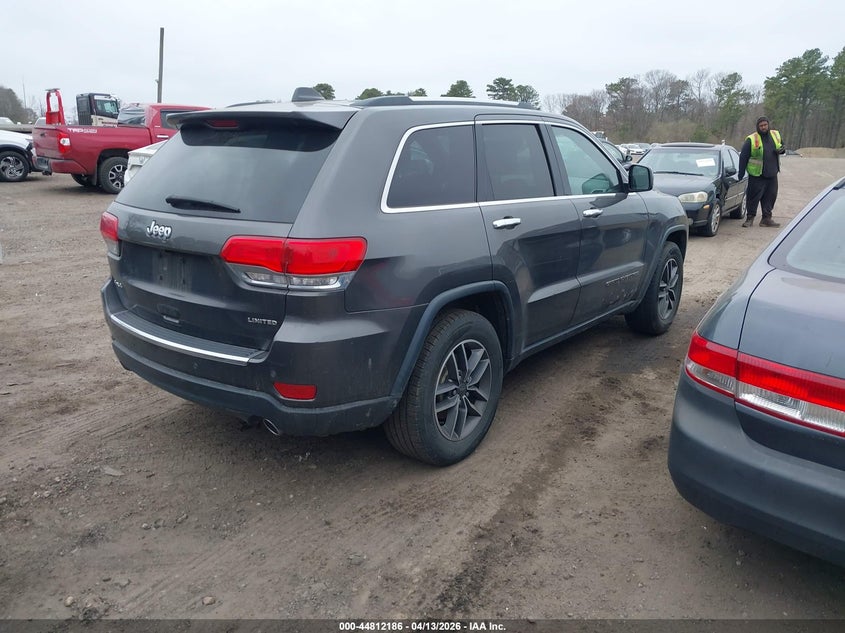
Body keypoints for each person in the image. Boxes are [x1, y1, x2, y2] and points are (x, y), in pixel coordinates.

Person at [738, 116, 786, 227]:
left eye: (765, 125)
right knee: (753, 197)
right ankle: (750, 218)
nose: (763, 127)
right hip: (757, 175)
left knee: (771, 196)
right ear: (757, 127)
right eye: (761, 126)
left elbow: (782, 147)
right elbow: (743, 157)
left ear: (768, 125)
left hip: (772, 173)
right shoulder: (752, 139)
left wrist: (782, 150)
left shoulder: (775, 135)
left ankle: (766, 219)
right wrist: (741, 174)